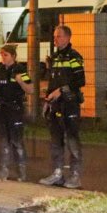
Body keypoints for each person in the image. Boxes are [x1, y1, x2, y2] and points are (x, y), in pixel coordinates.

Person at [39, 24, 86, 189]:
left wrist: (61, 90)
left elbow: (80, 81)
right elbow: (53, 83)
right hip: (56, 105)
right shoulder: (55, 58)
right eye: (54, 36)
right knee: (55, 141)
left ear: (67, 38)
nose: (55, 39)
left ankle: (75, 176)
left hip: (70, 104)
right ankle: (57, 174)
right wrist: (48, 100)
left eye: (58, 36)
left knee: (72, 140)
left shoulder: (74, 57)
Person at [0, 44, 33, 181]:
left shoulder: (19, 70)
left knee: (16, 141)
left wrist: (20, 82)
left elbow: (31, 89)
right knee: (4, 141)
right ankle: (3, 171)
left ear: (13, 56)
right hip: (1, 109)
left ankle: (22, 172)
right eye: (1, 54)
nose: (3, 57)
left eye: (5, 55)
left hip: (14, 109)